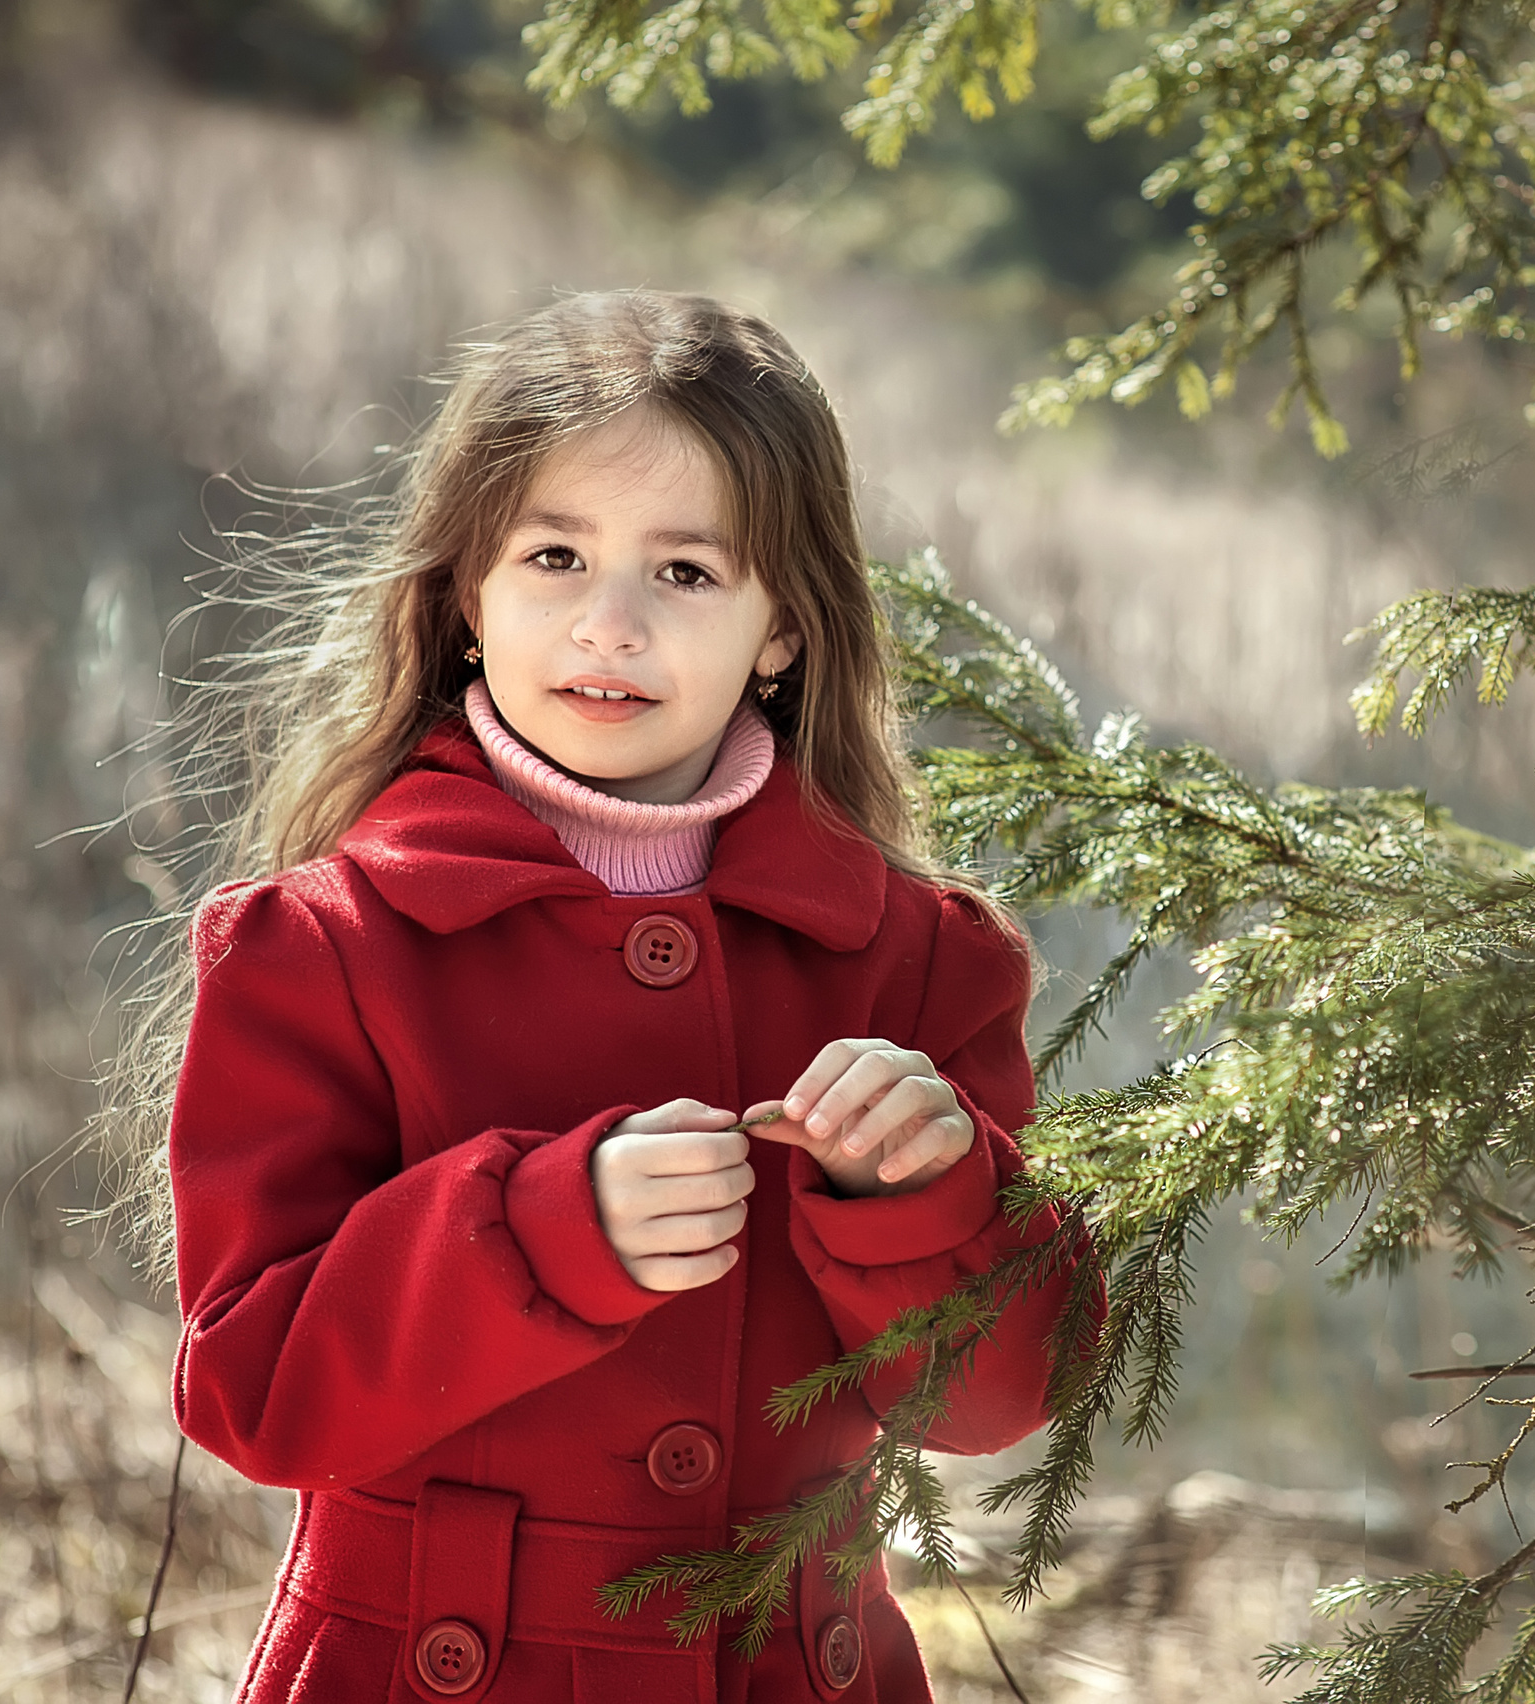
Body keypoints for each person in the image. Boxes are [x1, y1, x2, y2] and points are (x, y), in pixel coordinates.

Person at [136, 291, 1081, 1703]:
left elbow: (1005, 1400)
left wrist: (933, 1194)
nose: (611, 624)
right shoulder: (321, 944)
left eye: (688, 574)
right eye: (556, 556)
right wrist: (537, 1234)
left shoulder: (921, 960)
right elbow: (255, 1391)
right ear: (468, 596)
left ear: (782, 629)